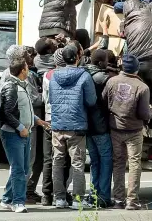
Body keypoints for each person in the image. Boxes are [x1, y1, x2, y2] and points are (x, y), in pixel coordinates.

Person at [102, 55, 152, 210]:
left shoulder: (112, 81)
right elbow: (144, 114)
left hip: (115, 129)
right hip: (134, 131)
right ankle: (132, 201)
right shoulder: (142, 87)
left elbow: (103, 99)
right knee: (134, 164)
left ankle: (118, 200)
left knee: (118, 163)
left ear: (122, 67)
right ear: (137, 68)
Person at [0, 58, 49, 213]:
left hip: (24, 133)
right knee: (19, 169)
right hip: (13, 134)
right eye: (27, 67)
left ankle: (7, 199)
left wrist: (37, 120)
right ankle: (18, 202)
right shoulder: (11, 87)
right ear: (22, 70)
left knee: (23, 168)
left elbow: (24, 109)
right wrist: (20, 127)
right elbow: (6, 113)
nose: (29, 70)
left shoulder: (22, 86)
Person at [49, 45, 96, 209]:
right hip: (76, 125)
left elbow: (51, 98)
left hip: (57, 125)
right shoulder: (84, 76)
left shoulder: (54, 76)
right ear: (77, 57)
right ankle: (77, 199)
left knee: (57, 162)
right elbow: (91, 101)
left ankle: (59, 198)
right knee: (77, 163)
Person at [121, 0, 152, 131]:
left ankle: (142, 123)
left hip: (137, 66)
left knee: (142, 94)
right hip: (151, 60)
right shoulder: (146, 12)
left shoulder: (125, 25)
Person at [39, 48, 72, 206]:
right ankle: (62, 192)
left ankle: (46, 194)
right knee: (64, 158)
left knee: (48, 158)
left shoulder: (47, 75)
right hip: (63, 118)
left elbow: (45, 97)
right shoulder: (70, 75)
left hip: (48, 118)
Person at [84, 50, 114, 208]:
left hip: (87, 126)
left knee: (95, 162)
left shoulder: (83, 74)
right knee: (106, 161)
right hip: (101, 126)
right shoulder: (103, 78)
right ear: (100, 63)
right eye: (106, 61)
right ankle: (103, 196)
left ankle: (93, 194)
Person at [23, 46, 46, 204]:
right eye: (30, 55)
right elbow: (34, 99)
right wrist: (45, 94)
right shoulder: (29, 75)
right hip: (31, 120)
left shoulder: (33, 72)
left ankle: (28, 190)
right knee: (30, 158)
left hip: (33, 120)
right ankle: (24, 191)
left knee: (36, 157)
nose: (33, 58)